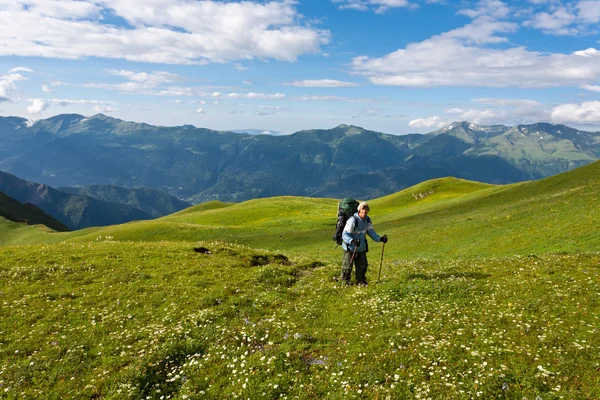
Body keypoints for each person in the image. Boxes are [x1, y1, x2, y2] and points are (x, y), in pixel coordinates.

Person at [340, 201, 387, 286]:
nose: (364, 211)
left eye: (366, 209)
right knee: (348, 265)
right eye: (363, 209)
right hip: (350, 247)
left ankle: (361, 281)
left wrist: (380, 238)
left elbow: (371, 232)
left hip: (361, 247)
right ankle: (345, 281)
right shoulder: (353, 220)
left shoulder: (367, 220)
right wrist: (352, 241)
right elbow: (344, 234)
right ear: (359, 210)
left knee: (362, 265)